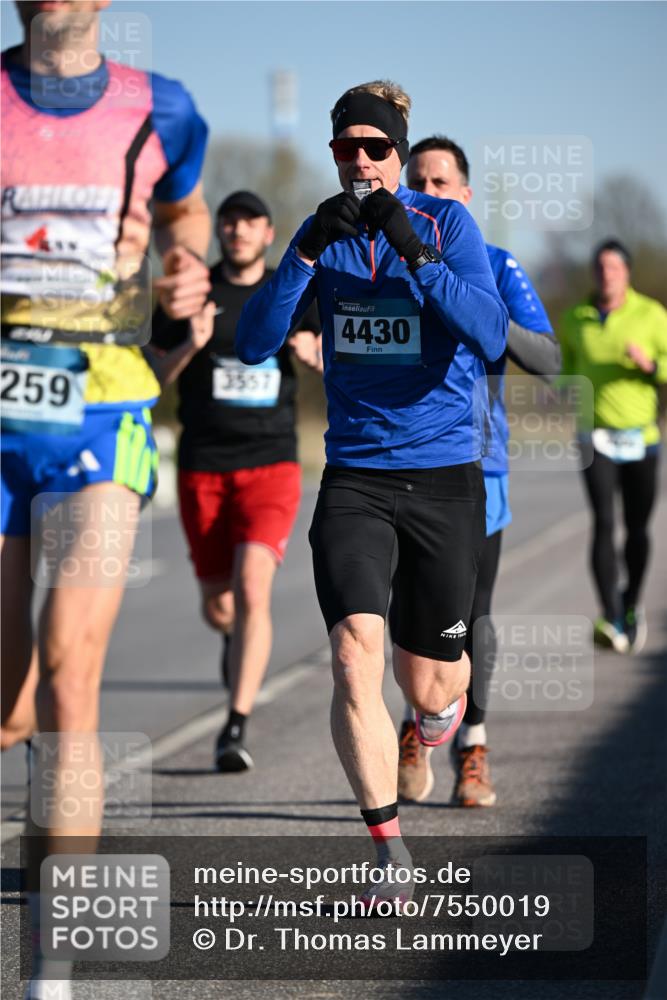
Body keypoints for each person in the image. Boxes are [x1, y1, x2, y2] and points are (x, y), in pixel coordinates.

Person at [236, 80, 508, 908]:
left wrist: (415, 253)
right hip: (355, 477)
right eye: (345, 148)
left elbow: (490, 334)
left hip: (443, 479)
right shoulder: (322, 238)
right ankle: (387, 850)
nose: (359, 161)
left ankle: (433, 727)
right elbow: (252, 343)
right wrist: (305, 250)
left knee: (433, 685)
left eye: (375, 147)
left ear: (397, 150)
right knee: (354, 654)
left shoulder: (445, 224)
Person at [1, 3, 210, 997]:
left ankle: (53, 965)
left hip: (102, 411)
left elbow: (188, 208)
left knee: (69, 670)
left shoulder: (159, 108)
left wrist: (185, 261)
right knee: (8, 701)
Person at [396, 136, 560, 807]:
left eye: (441, 183)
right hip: (396, 465)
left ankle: (473, 747)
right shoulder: (382, 262)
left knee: (470, 613)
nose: (427, 194)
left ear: (464, 194)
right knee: (404, 611)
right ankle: (416, 724)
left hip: (475, 466)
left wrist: (482, 319)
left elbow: (547, 358)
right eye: (417, 182)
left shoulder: (493, 262)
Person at [147, 190, 320, 773]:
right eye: (229, 220)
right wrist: (189, 345)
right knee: (220, 606)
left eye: (250, 221)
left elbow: (337, 351)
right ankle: (232, 639)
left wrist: (319, 353)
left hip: (271, 463)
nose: (238, 229)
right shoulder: (191, 291)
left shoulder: (290, 292)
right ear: (218, 230)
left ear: (268, 233)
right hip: (203, 466)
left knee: (252, 588)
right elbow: (150, 376)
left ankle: (235, 725)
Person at [559, 239, 667, 653]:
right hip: (596, 436)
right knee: (603, 521)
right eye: (600, 267)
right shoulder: (575, 318)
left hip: (642, 437)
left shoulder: (652, 314)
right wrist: (560, 388)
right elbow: (567, 369)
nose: (607, 274)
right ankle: (610, 616)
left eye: (614, 268)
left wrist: (649, 366)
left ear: (627, 273)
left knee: (637, 528)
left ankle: (631, 603)